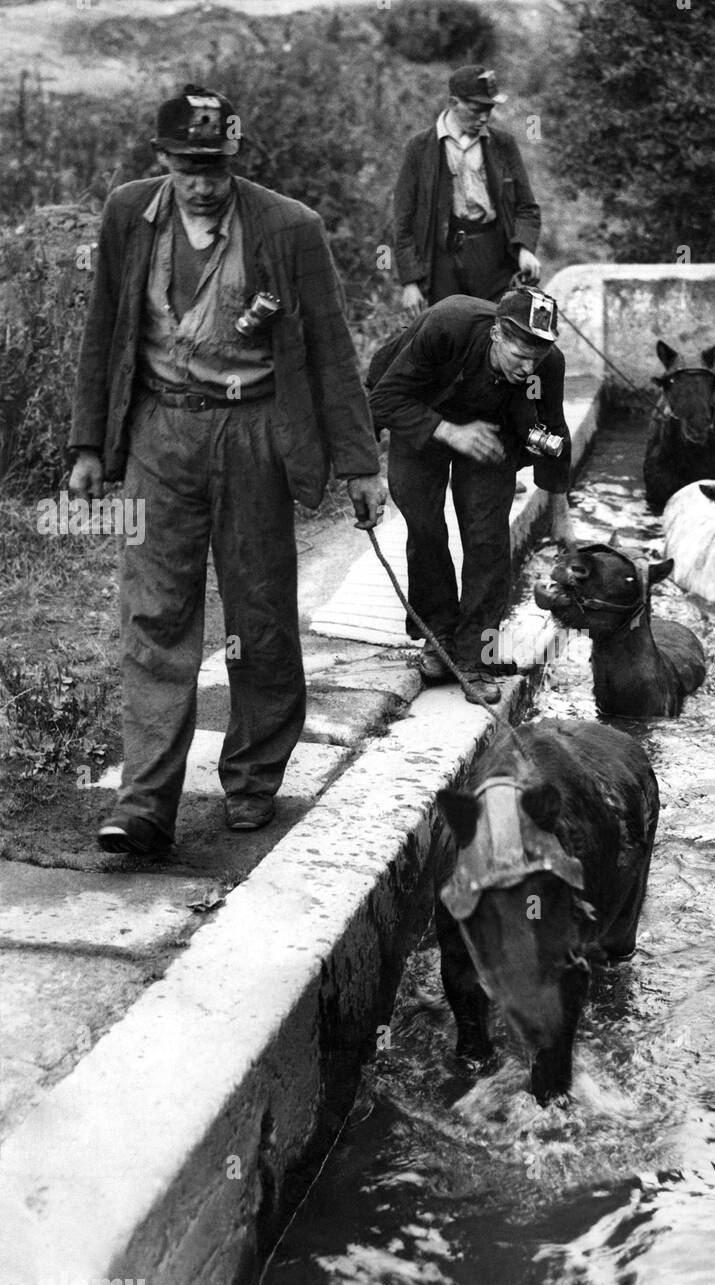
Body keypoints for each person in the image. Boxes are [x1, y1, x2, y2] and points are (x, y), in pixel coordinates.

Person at [67, 85, 386, 855]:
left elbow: (332, 351)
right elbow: (106, 329)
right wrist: (86, 446)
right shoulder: (129, 215)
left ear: (234, 161)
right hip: (158, 435)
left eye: (214, 167)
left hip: (253, 437)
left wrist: (360, 465)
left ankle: (252, 779)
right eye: (187, 166)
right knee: (154, 615)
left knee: (261, 617)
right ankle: (144, 806)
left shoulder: (289, 228)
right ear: (164, 160)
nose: (202, 182)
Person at [368, 286, 574, 705]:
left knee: (488, 539)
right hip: (421, 414)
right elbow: (384, 397)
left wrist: (560, 511)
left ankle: (475, 655)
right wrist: (449, 432)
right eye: (520, 354)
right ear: (498, 333)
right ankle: (438, 636)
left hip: (490, 432)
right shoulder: (449, 324)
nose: (528, 366)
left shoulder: (546, 366)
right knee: (425, 529)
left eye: (537, 356)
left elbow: (554, 430)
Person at [393, 65, 542, 315]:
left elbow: (527, 207)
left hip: (494, 259)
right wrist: (409, 281)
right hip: (443, 263)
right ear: (453, 102)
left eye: (489, 110)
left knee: (495, 333)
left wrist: (525, 248)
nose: (484, 118)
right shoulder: (419, 148)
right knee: (449, 336)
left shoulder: (503, 145)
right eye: (476, 110)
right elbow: (402, 221)